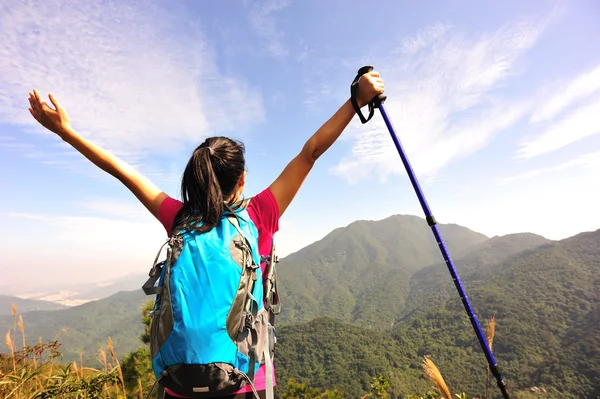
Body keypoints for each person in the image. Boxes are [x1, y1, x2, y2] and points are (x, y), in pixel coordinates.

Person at [27, 70, 385, 398]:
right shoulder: (260, 214)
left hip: (179, 381)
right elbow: (311, 152)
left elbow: (124, 172)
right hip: (245, 382)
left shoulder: (179, 218)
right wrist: (356, 101)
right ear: (241, 179)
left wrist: (65, 131)